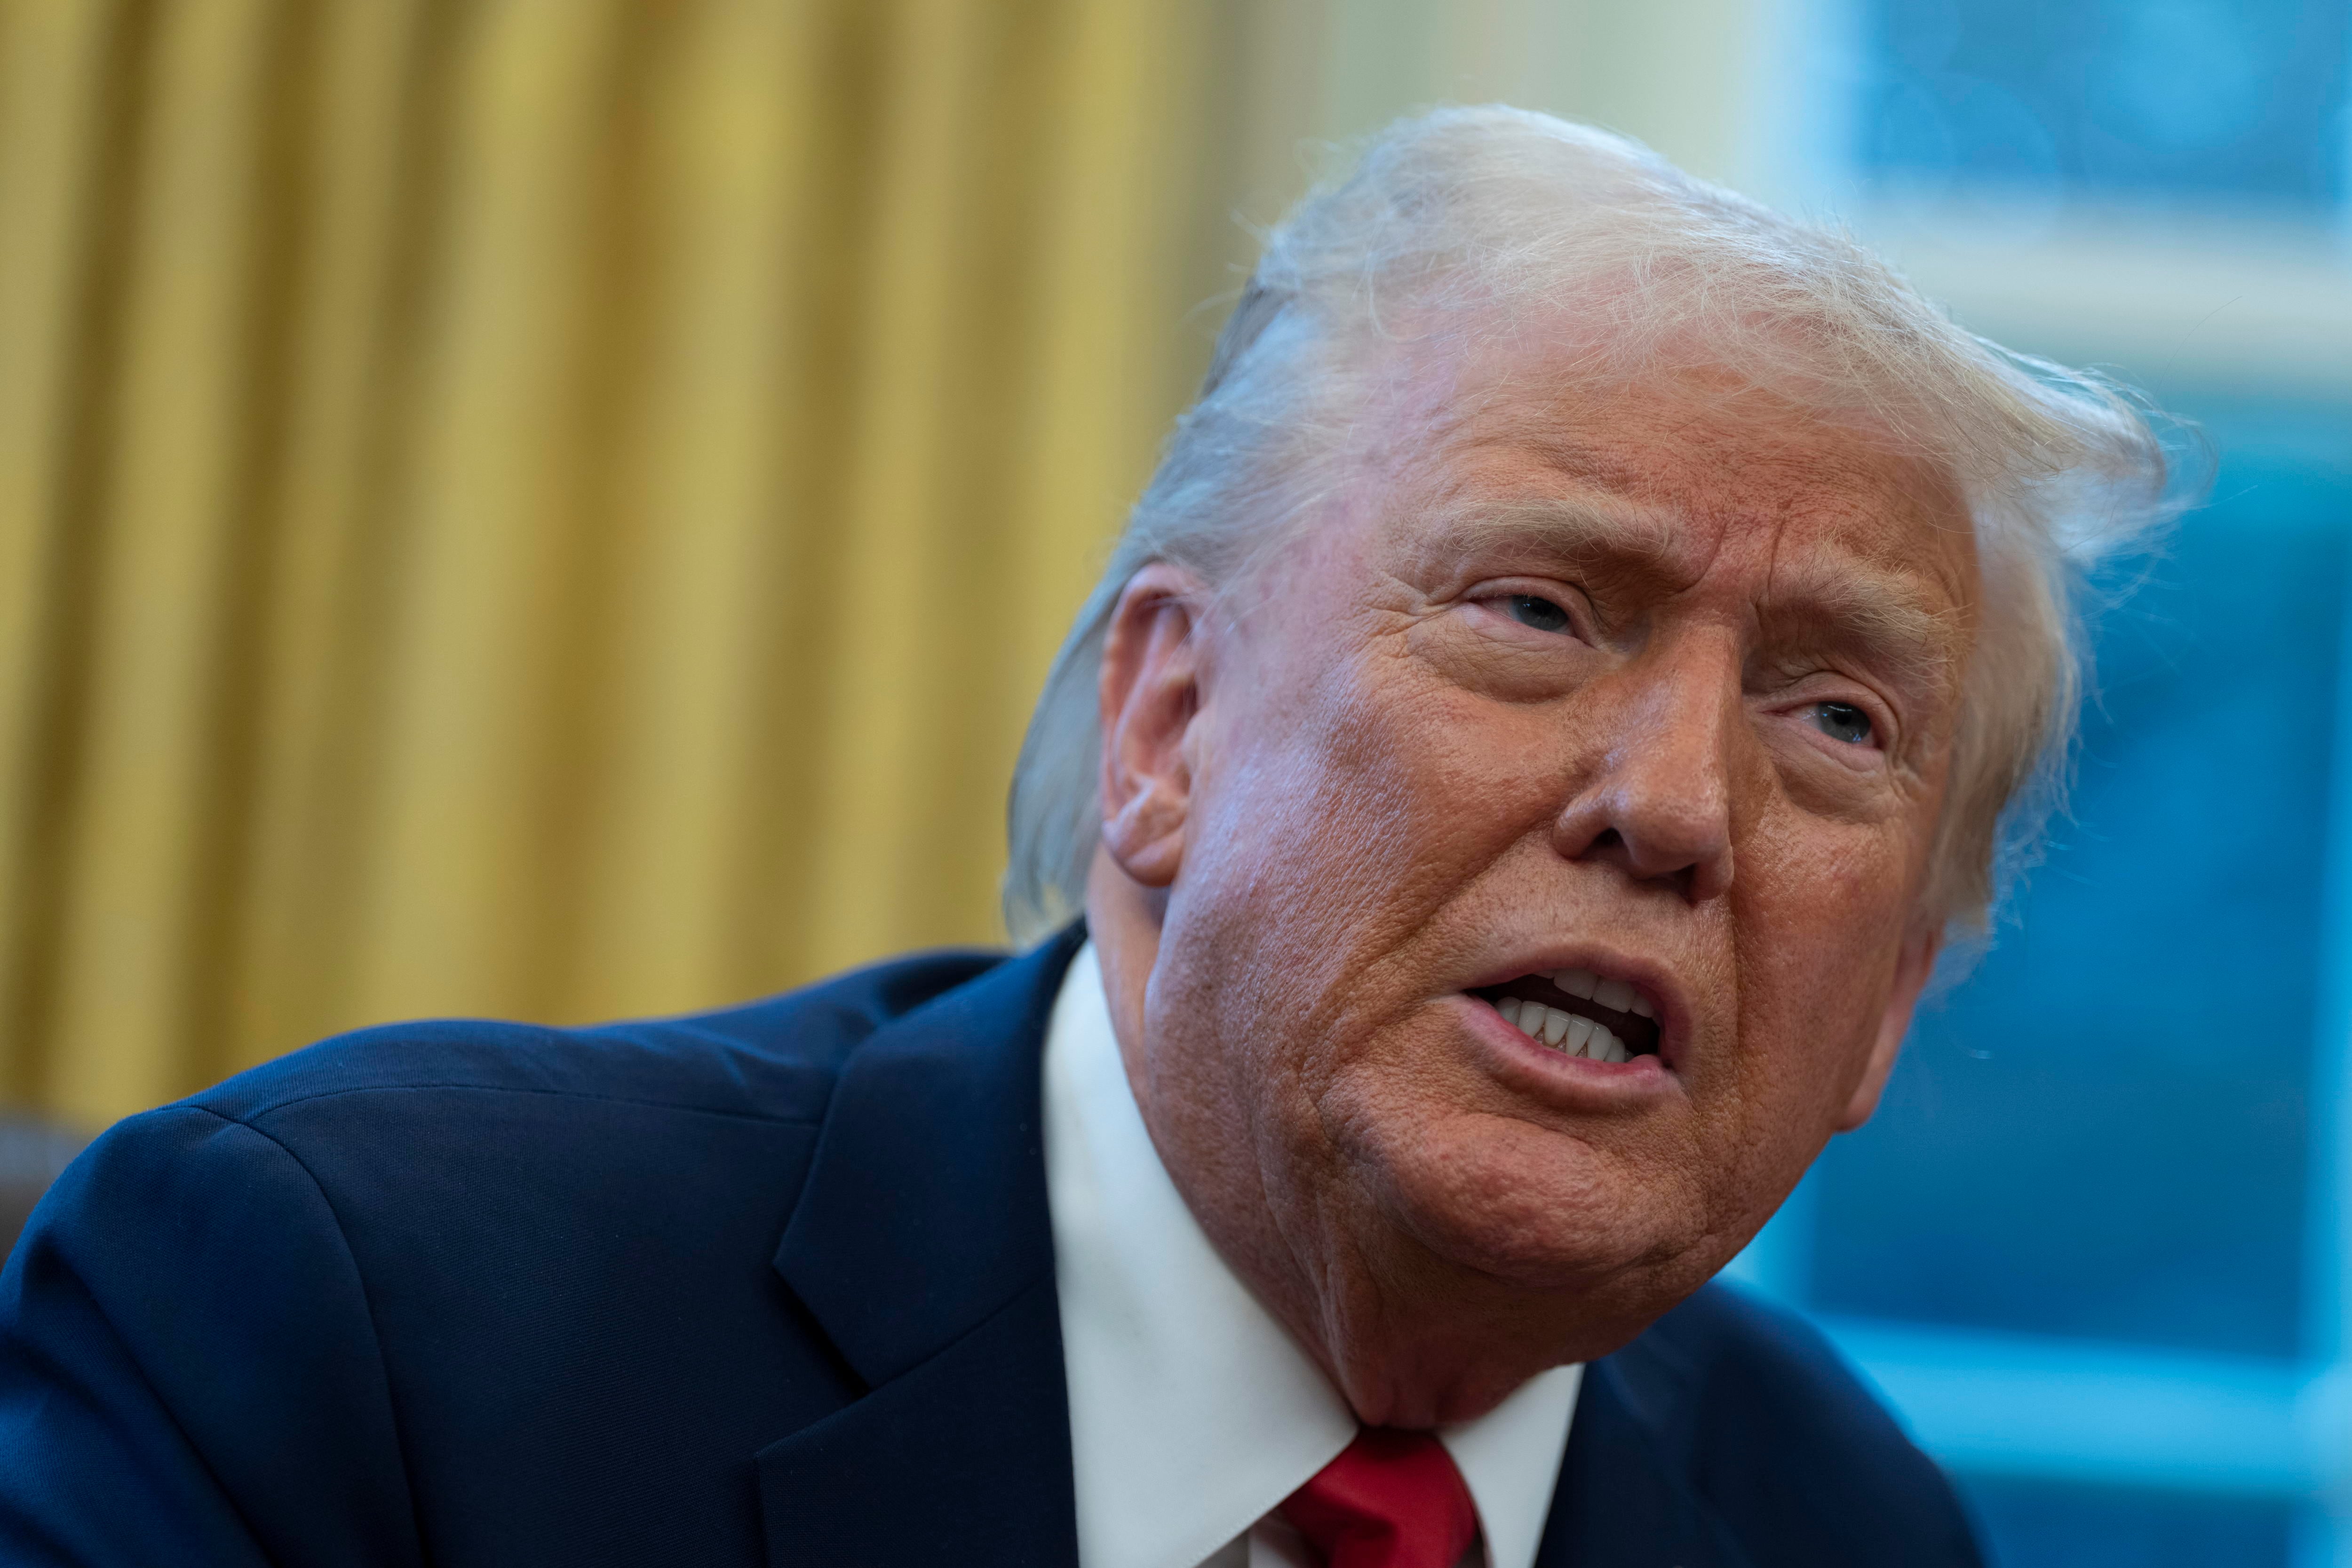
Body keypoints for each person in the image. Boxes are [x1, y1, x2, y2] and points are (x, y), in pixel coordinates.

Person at [0, 107, 2168, 1568]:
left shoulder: (1838, 1529)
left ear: (1893, 996)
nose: (1673, 806)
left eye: (1832, 718)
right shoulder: (358, 1326)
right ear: (1167, 724)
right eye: (1533, 610)